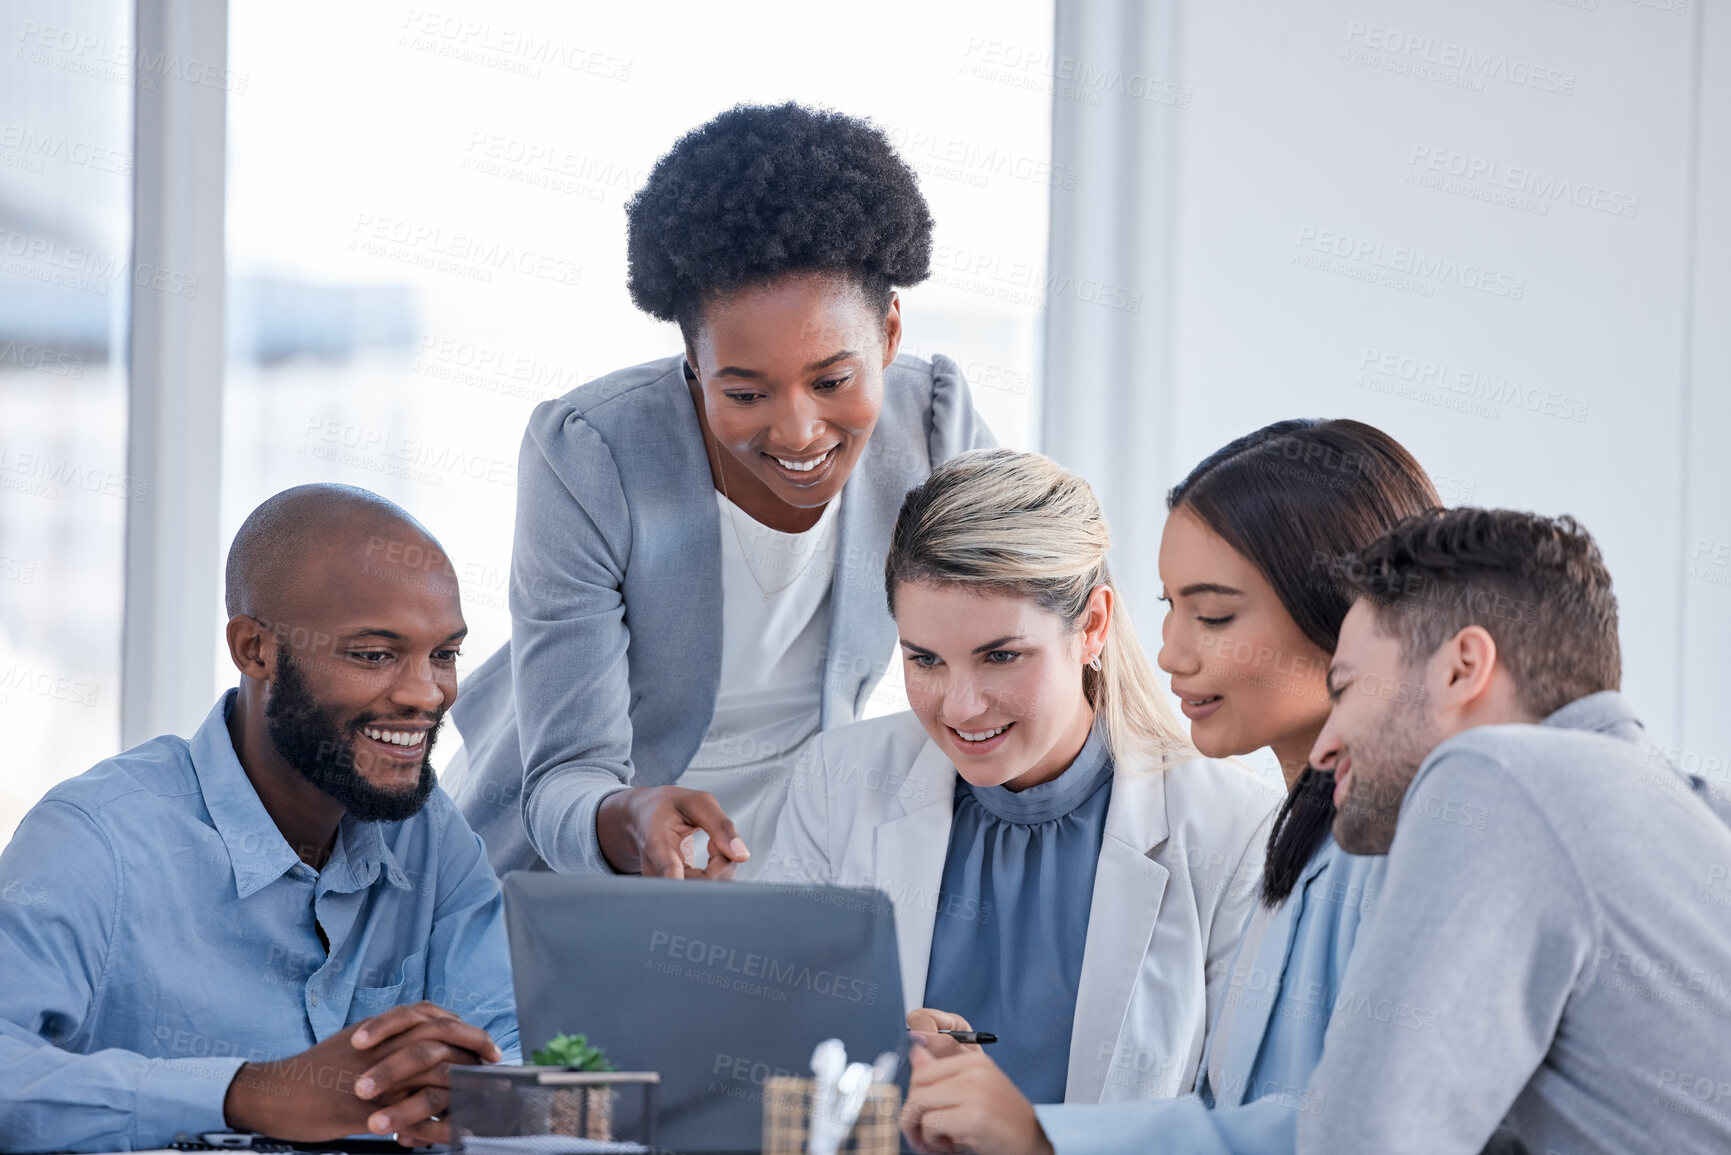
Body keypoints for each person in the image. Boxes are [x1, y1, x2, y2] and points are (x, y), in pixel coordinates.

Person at [447, 102, 993, 880]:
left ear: (891, 334)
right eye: (745, 393)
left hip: (795, 843)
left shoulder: (935, 426)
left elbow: (1035, 635)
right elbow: (564, 777)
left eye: (833, 379)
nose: (799, 431)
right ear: (693, 359)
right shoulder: (591, 451)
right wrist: (622, 816)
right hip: (574, 861)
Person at [896, 420, 1444, 1154]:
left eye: (1213, 615)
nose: (1169, 653)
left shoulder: (1394, 850)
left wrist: (1041, 1134)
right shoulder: (1304, 841)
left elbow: (1375, 1130)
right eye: (1170, 608)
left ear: (1348, 616)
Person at [0, 485, 518, 1152]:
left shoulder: (428, 835)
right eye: (374, 654)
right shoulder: (96, 838)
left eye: (443, 653)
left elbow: (506, 1062)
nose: (426, 692)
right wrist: (248, 1092)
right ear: (255, 650)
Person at [767, 448, 1283, 1107]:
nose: (958, 707)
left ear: (1091, 624)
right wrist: (870, 1054)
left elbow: (1242, 1119)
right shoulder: (837, 779)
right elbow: (767, 1046)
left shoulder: (1235, 829)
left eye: (1001, 656)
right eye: (924, 659)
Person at [1296, 508, 1731, 1154]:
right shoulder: (1695, 813)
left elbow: (1360, 1139)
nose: (1321, 748)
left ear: (1461, 667)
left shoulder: (1498, 773)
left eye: (1343, 688)